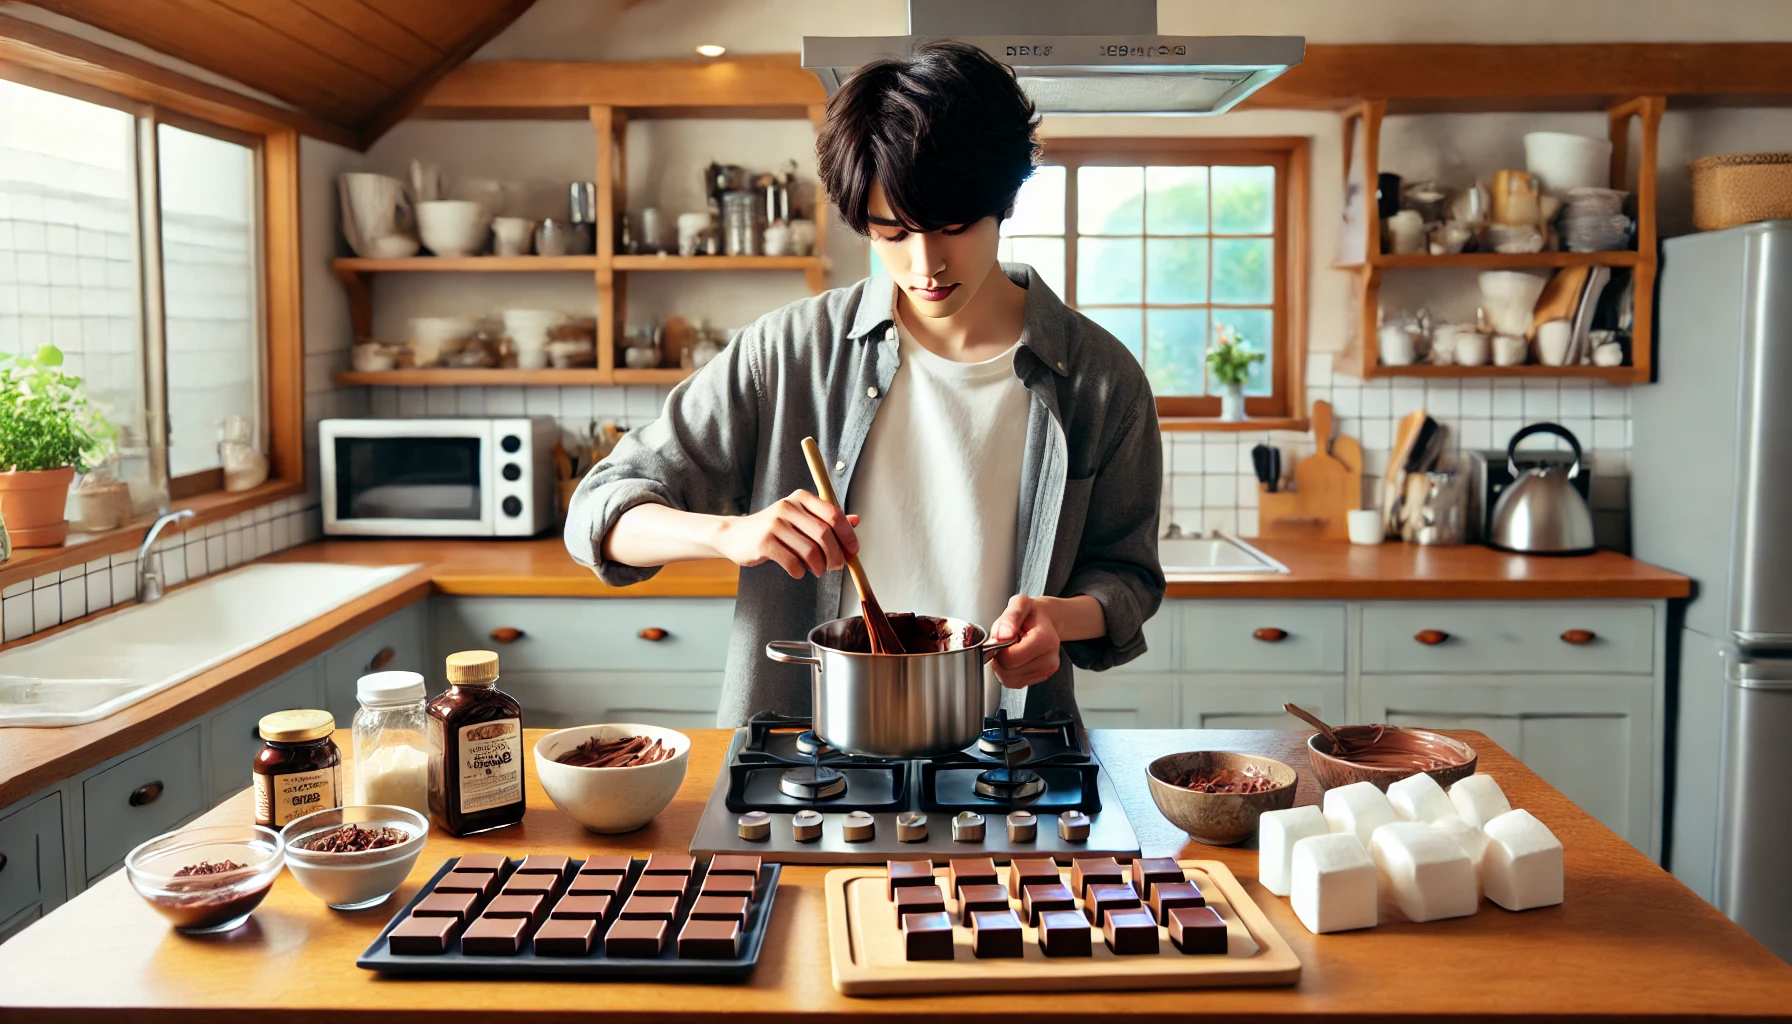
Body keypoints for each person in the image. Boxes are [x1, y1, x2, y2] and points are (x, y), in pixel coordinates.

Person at [565, 40, 1163, 727]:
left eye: (953, 227)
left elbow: (1128, 578)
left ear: (1006, 201)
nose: (926, 263)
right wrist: (731, 533)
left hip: (1013, 758)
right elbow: (598, 514)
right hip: (803, 754)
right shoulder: (789, 351)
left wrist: (1061, 619)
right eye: (892, 233)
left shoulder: (1101, 379)